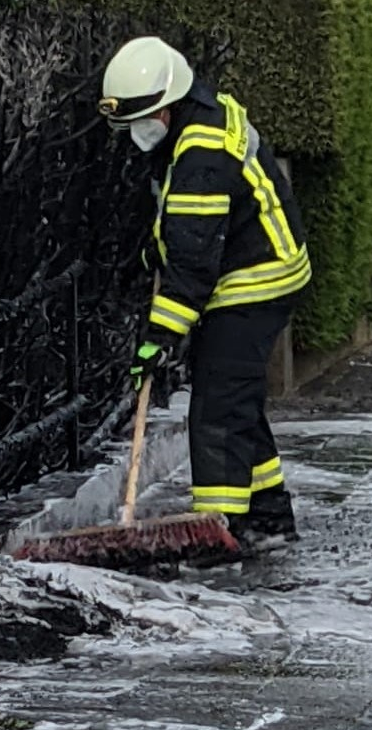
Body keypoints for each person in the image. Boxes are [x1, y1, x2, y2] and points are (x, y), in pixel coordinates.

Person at [99, 36, 311, 551]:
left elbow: (194, 264)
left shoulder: (202, 152)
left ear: (168, 106)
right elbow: (185, 227)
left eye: (143, 120)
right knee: (236, 401)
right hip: (251, 266)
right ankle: (267, 515)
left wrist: (158, 338)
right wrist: (157, 255)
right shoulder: (192, 128)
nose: (137, 134)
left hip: (256, 278)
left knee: (216, 407)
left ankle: (219, 530)